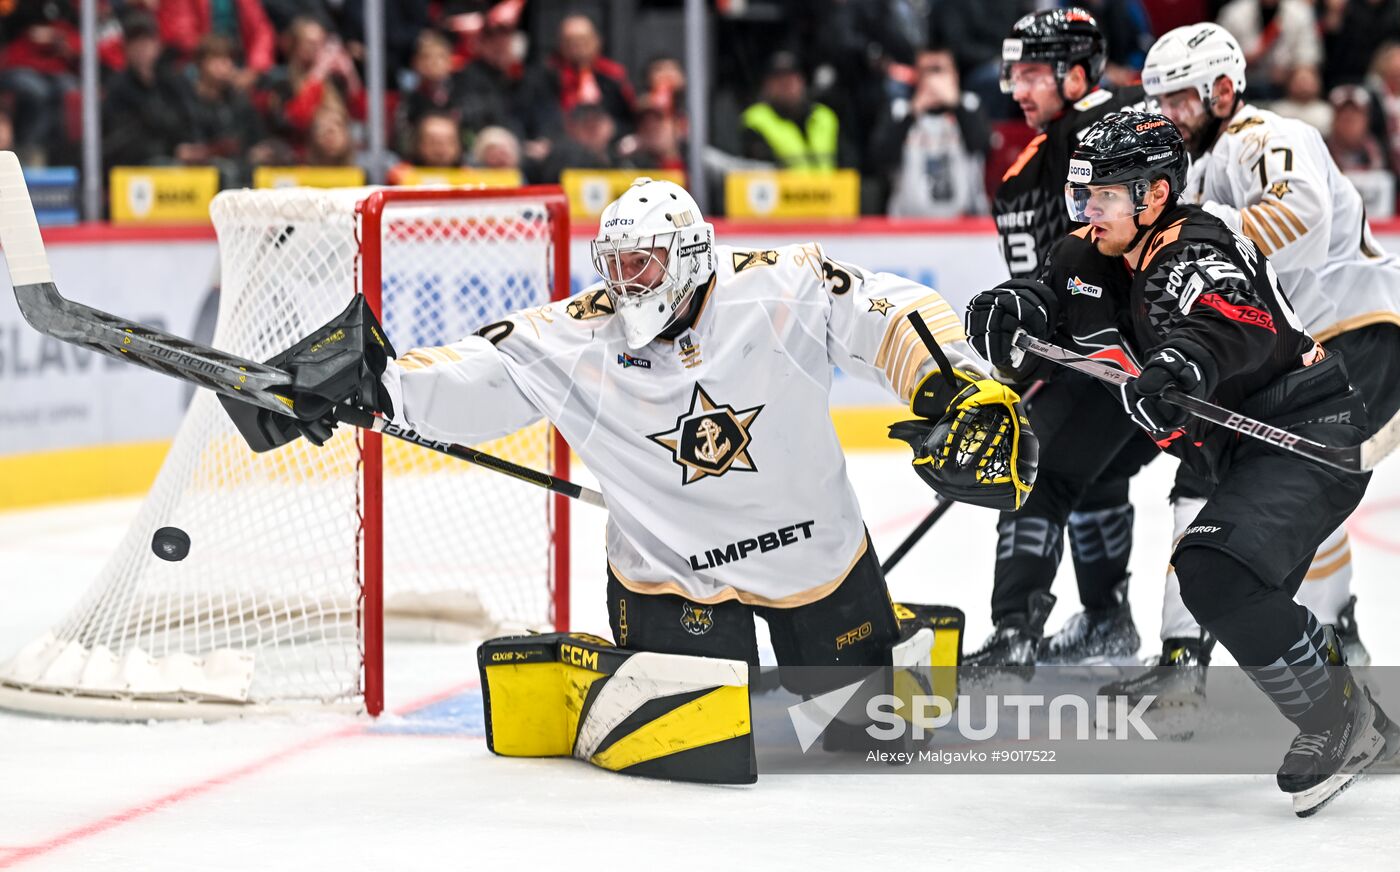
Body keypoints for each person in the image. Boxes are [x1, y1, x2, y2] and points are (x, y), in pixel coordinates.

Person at [254, 177, 1036, 772]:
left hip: (816, 562)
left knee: (867, 733)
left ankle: (884, 641)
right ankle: (596, 675)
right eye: (614, 263)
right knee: (695, 746)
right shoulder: (577, 334)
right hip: (671, 577)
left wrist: (955, 390)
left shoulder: (777, 286)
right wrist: (375, 384)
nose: (626, 280)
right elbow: (474, 373)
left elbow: (888, 311)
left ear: (690, 255)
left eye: (643, 262)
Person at [966, 108, 1396, 817]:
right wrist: (1015, 306)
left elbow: (1232, 319)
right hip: (1243, 448)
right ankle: (1364, 716)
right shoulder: (1091, 251)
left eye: (1102, 196)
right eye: (1082, 195)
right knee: (1244, 595)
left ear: (1154, 195)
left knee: (1214, 573)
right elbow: (1056, 299)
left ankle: (1337, 723)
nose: (1085, 211)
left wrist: (1180, 363)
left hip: (1307, 431)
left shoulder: (1197, 244)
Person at [1114, 23, 1400, 701]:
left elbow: (1297, 215)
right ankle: (1201, 657)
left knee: (1267, 491)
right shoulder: (1196, 170)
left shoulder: (1268, 136)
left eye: (1180, 98)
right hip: (1291, 359)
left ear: (1222, 87)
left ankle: (1322, 639)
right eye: (1158, 101)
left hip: (1355, 337)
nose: (1168, 115)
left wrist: (1209, 251)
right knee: (1225, 479)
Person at [972, 8, 1156, 678]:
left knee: (1039, 477)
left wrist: (1030, 358)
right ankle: (1107, 618)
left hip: (1113, 357)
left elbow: (1053, 283)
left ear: (1075, 73)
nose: (1016, 89)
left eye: (1030, 74)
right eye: (1011, 73)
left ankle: (1014, 636)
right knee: (1096, 473)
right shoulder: (1142, 114)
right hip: (1170, 355)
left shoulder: (1063, 154)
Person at [877, 44, 992, 218]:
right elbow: (881, 159)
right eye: (926, 72)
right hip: (907, 226)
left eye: (939, 70)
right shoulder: (899, 111)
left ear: (955, 75)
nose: (933, 79)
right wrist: (913, 112)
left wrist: (955, 104)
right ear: (916, 77)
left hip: (965, 223)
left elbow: (981, 146)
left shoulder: (970, 105)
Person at [740, 51, 845, 171]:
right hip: (783, 190)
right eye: (779, 80)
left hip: (831, 189)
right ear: (767, 85)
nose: (786, 85)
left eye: (791, 78)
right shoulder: (756, 120)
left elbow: (847, 163)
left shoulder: (825, 117)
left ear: (802, 81)